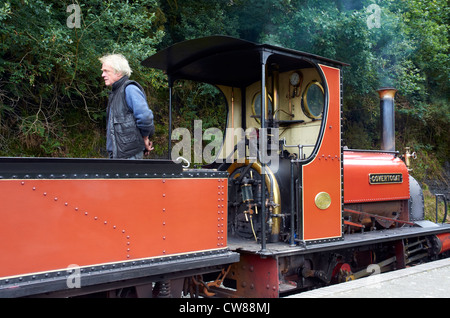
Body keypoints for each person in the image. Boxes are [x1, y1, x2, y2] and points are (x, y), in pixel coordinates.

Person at [99, 54, 154, 159]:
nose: (103, 74)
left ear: (118, 72)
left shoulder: (130, 89)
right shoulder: (115, 93)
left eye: (106, 71)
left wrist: (145, 137)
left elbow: (145, 117)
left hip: (129, 156)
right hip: (119, 155)